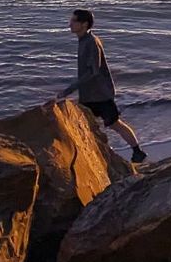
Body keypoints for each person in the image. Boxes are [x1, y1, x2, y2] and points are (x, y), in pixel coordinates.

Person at [58, 8, 145, 162]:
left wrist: (69, 89)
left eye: (73, 21)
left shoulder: (92, 42)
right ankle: (100, 154)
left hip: (101, 94)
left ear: (84, 24)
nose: (69, 24)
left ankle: (137, 151)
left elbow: (94, 72)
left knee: (114, 124)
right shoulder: (83, 40)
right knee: (87, 126)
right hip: (88, 95)